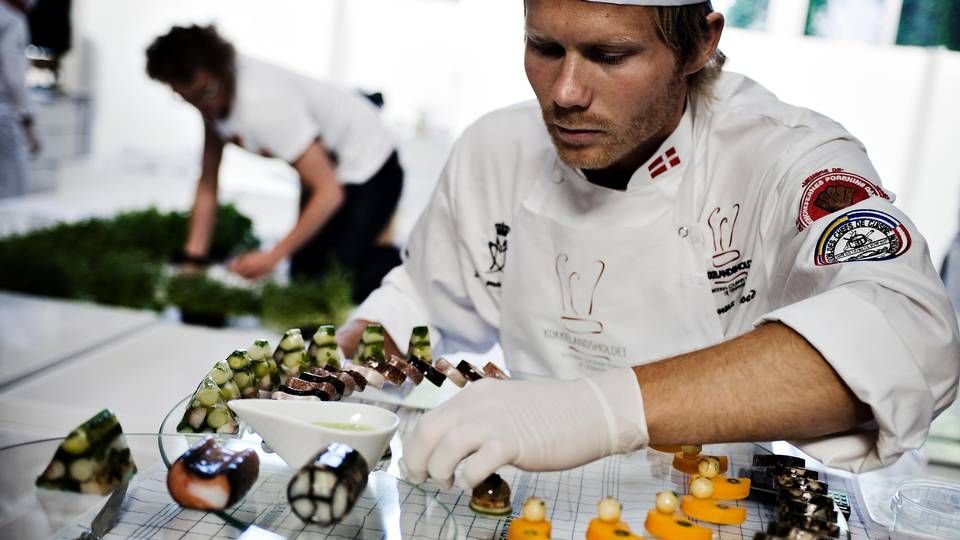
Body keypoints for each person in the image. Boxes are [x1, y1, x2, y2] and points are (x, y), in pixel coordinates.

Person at [337, 0, 960, 489]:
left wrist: (595, 412)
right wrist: (367, 345)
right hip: (518, 494)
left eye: (610, 54)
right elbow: (428, 291)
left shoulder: (787, 157)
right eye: (544, 47)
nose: (565, 92)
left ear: (700, 43)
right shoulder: (494, 149)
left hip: (704, 501)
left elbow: (908, 335)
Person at [146, 25, 403, 301]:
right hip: (328, 169)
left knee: (338, 284)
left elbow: (328, 192)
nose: (201, 107)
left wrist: (273, 256)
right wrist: (193, 262)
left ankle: (400, 271)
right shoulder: (212, 97)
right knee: (303, 277)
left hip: (372, 165)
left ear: (221, 70)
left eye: (204, 93)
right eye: (187, 98)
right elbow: (208, 182)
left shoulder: (263, 104)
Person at [0, 0, 40, 199]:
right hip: (3, 113)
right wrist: (28, 121)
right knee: (14, 190)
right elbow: (13, 78)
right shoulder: (13, 22)